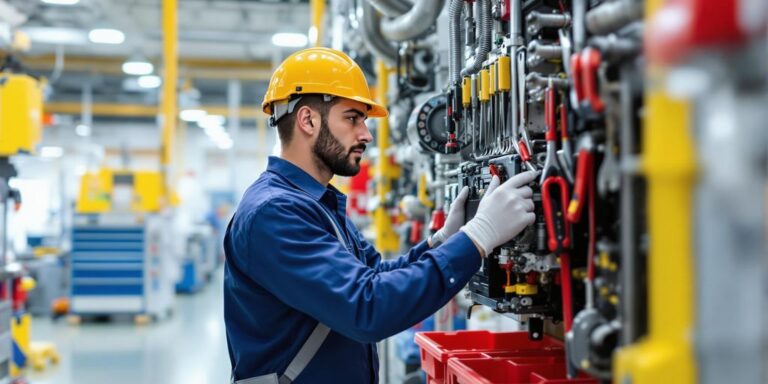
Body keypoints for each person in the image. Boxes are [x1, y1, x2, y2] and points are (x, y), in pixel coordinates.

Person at [223, 47, 537, 384]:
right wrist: (479, 237)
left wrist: (442, 241)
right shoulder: (275, 213)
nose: (366, 135)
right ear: (308, 120)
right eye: (352, 118)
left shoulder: (316, 203)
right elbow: (368, 307)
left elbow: (372, 276)